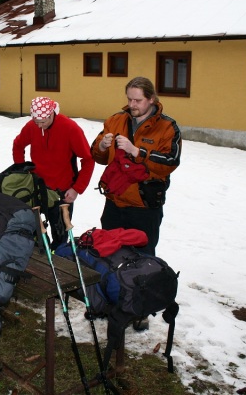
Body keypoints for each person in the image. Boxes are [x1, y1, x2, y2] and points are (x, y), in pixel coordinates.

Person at [91, 77, 181, 330]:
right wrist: (102, 145)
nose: (132, 104)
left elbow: (170, 162)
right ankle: (110, 301)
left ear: (152, 99)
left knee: (143, 259)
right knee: (109, 254)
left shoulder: (167, 127)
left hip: (144, 206)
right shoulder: (116, 120)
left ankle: (140, 308)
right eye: (129, 98)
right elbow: (96, 154)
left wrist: (137, 152)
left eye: (138, 100)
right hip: (115, 202)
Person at [12, 96, 95, 248]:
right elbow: (18, 145)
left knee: (61, 235)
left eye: (43, 122)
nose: (40, 126)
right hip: (36, 188)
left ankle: (59, 261)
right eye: (37, 122)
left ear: (52, 114)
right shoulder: (32, 126)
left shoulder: (70, 128)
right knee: (34, 232)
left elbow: (88, 159)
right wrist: (22, 172)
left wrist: (77, 188)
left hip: (62, 192)